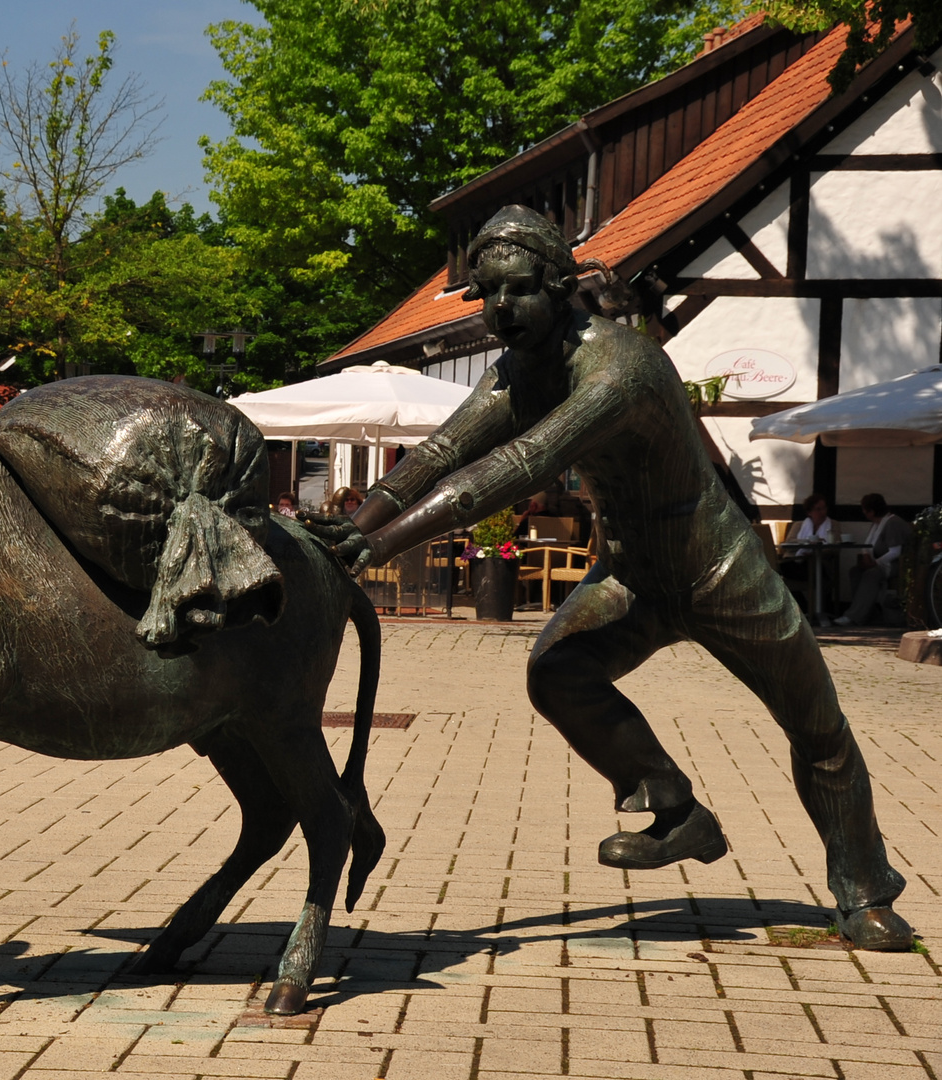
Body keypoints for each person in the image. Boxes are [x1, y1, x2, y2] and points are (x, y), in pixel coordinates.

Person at [303, 205, 912, 949]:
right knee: (556, 671)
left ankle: (864, 891)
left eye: (519, 289)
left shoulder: (620, 364)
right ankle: (676, 810)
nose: (501, 309)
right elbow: (437, 457)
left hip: (717, 568)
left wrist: (382, 545)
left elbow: (509, 472)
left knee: (816, 726)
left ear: (561, 287)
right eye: (487, 294)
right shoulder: (516, 372)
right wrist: (354, 527)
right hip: (632, 577)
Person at [834, 494, 911, 626]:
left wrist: (875, 563)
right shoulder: (876, 524)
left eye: (865, 510)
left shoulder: (892, 523)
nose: (864, 513)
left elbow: (895, 551)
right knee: (855, 572)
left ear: (872, 511)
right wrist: (865, 557)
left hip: (895, 565)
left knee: (871, 574)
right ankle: (868, 613)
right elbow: (868, 544)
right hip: (879, 563)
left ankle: (854, 616)